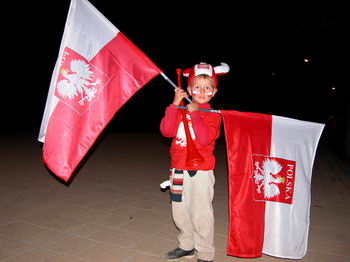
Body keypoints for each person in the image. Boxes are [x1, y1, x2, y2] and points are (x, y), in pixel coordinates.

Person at [160, 62, 229, 262]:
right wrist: (174, 105)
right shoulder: (180, 109)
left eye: (207, 88)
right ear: (189, 89)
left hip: (200, 171)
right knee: (179, 211)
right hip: (178, 168)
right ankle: (187, 245)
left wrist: (195, 112)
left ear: (214, 92)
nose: (201, 91)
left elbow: (204, 138)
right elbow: (166, 131)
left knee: (201, 213)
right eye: (196, 87)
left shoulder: (213, 116)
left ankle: (206, 253)